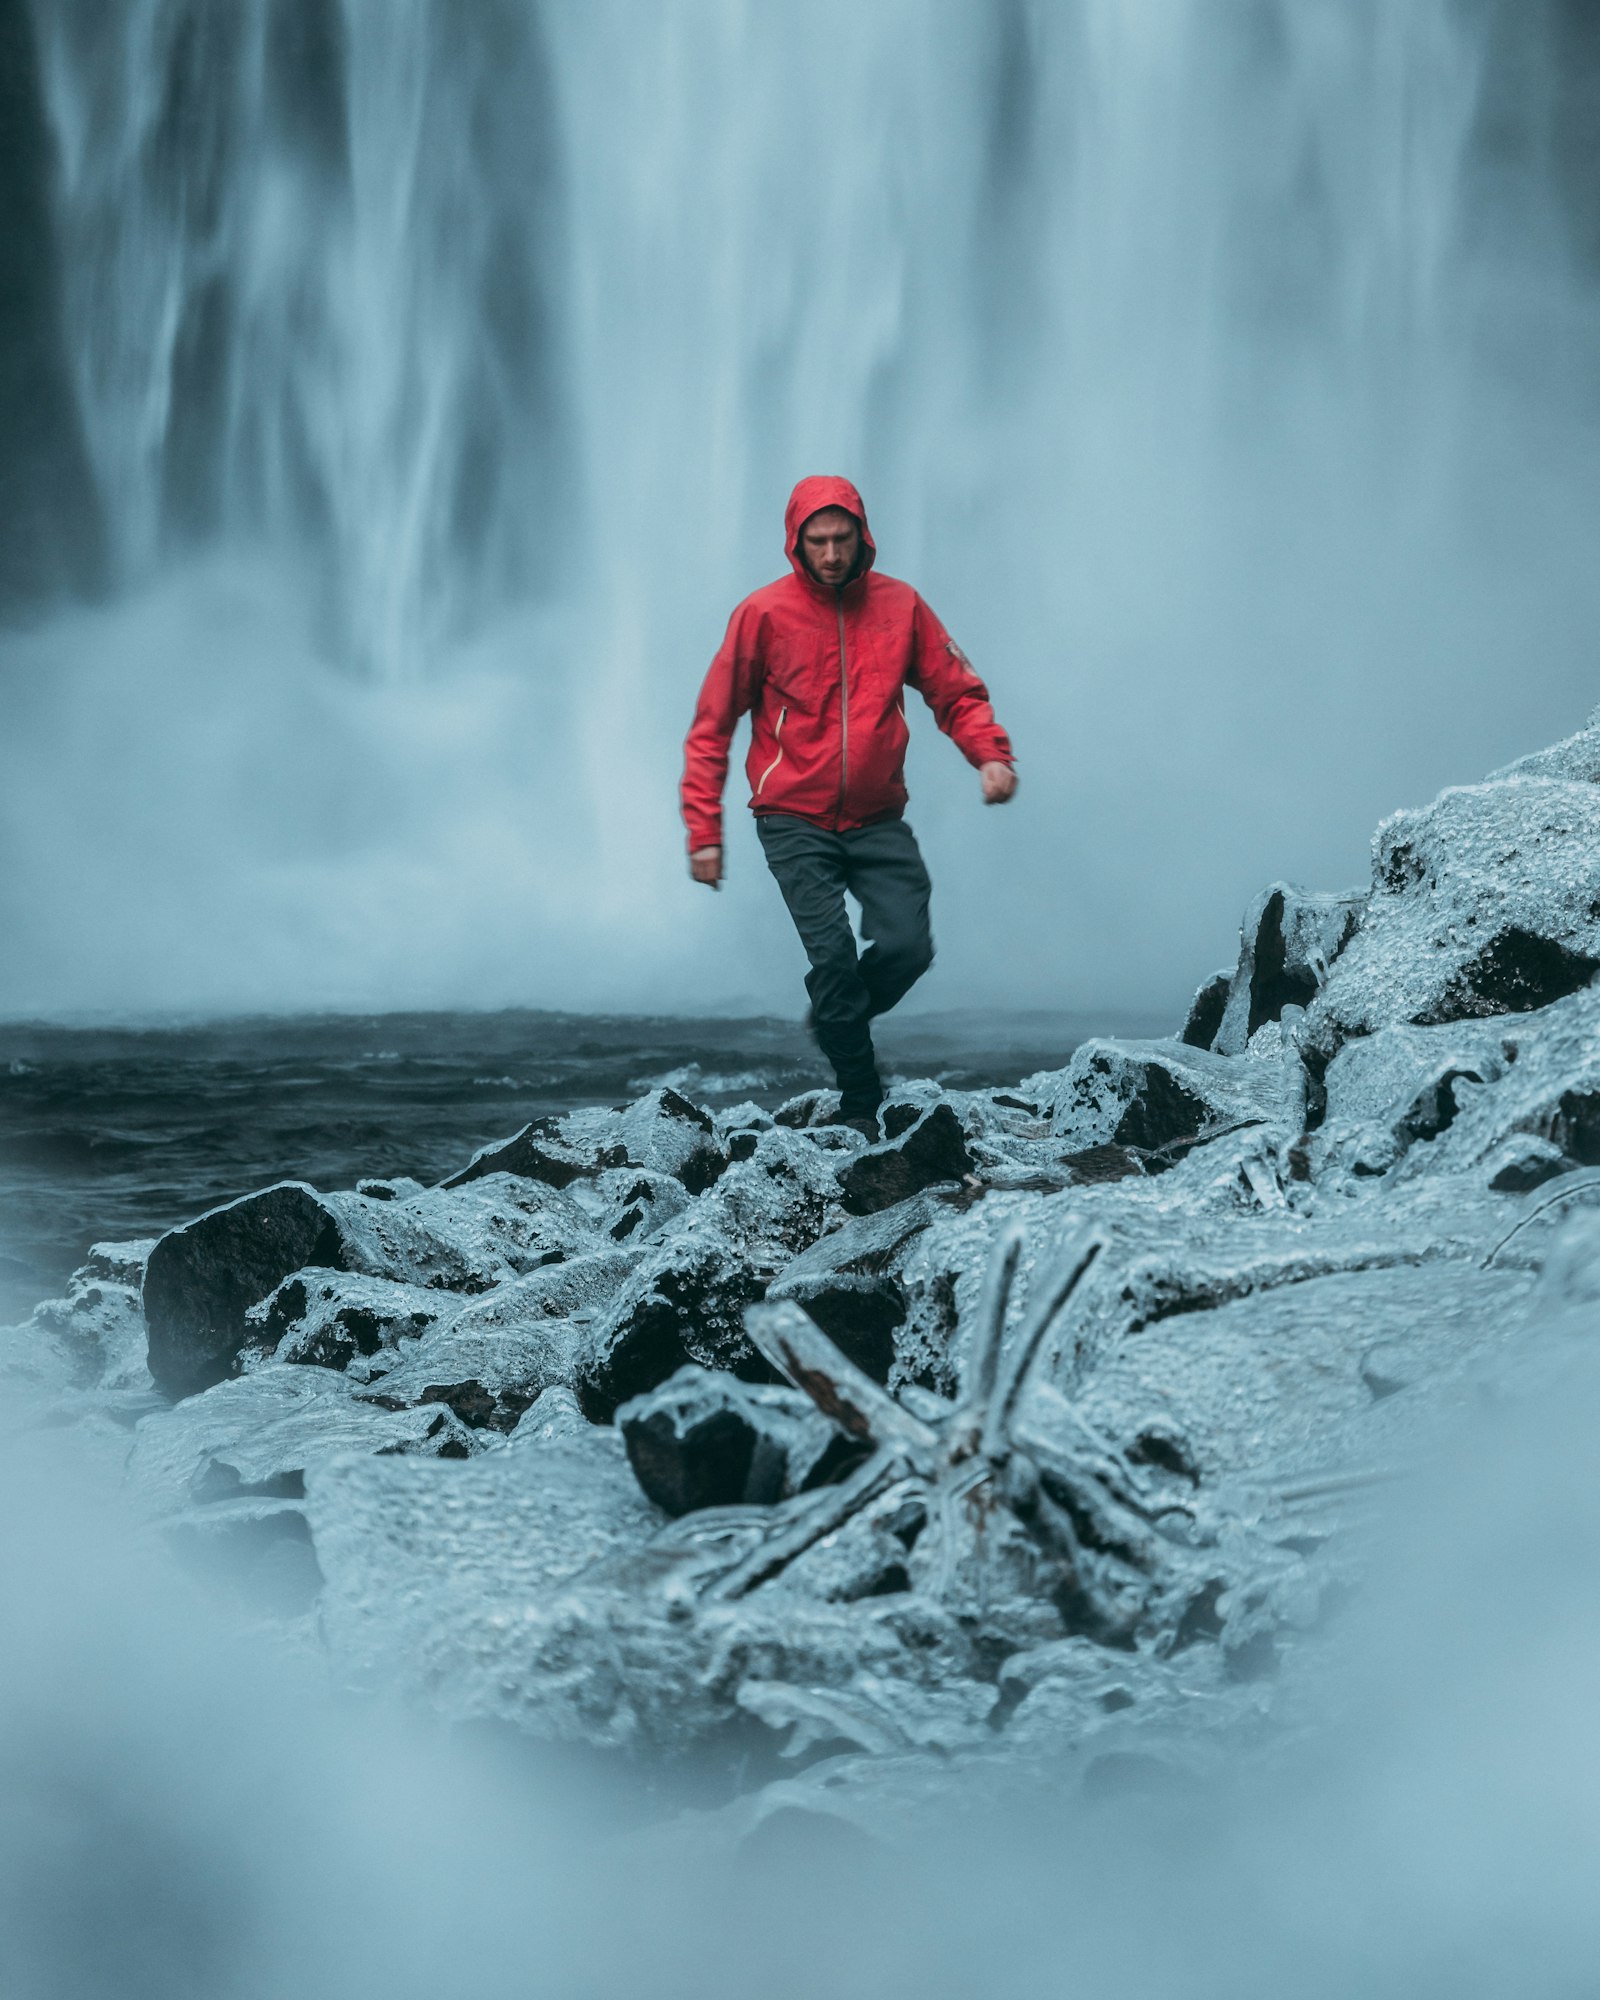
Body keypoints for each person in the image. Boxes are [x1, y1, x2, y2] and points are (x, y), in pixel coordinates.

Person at [681, 474, 1017, 1133]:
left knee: (908, 948)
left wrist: (990, 755)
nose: (831, 554)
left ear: (863, 538)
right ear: (796, 543)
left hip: (877, 818)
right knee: (832, 957)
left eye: (842, 539)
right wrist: (704, 833)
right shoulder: (763, 615)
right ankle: (862, 1106)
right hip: (790, 817)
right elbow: (712, 727)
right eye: (818, 541)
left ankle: (835, 1014)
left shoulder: (902, 607)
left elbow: (957, 692)